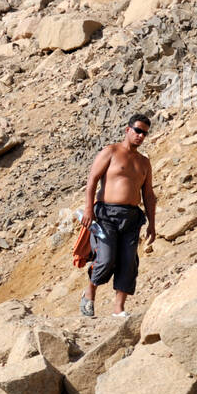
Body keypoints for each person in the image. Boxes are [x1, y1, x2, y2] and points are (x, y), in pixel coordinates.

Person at [79, 113, 157, 318]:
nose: (141, 136)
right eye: (138, 130)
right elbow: (92, 181)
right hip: (106, 214)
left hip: (132, 217)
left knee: (128, 261)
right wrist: (89, 209)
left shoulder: (144, 162)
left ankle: (118, 309)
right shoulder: (111, 152)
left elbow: (148, 195)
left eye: (145, 133)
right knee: (106, 258)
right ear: (128, 129)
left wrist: (152, 224)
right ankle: (89, 293)